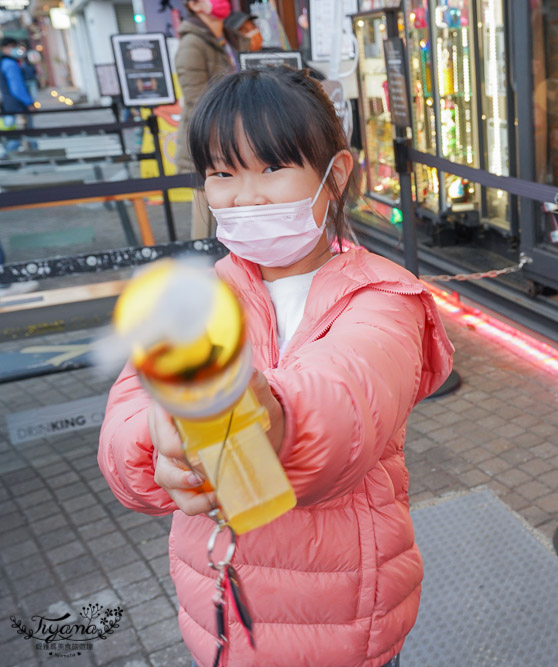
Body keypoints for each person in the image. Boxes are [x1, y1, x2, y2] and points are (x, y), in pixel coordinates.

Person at [98, 66, 454, 667]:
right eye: (223, 174)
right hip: (219, 617)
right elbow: (126, 419)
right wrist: (158, 450)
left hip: (344, 624)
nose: (247, 195)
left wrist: (267, 413)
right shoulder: (197, 298)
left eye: (272, 168)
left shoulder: (385, 298)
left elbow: (348, 398)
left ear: (334, 176)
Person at [169, 0, 236, 239]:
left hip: (228, 137)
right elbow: (197, 101)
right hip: (206, 141)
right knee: (205, 214)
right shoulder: (192, 44)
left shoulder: (223, 37)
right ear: (195, 5)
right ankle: (200, 268)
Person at [0, 37, 34, 155]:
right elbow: (17, 87)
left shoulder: (4, 62)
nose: (15, 49)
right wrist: (28, 102)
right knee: (23, 134)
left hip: (9, 104)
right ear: (5, 48)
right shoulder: (10, 64)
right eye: (13, 46)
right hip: (17, 105)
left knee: (15, 134)